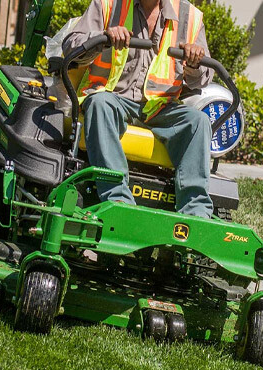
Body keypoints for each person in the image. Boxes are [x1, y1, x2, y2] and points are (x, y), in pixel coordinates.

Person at [62, 0, 214, 219]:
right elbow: (72, 46)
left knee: (198, 121)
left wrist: (194, 63)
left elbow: (202, 80)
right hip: (114, 98)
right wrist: (102, 38)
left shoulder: (190, 17)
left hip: (160, 106)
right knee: (100, 104)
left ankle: (196, 213)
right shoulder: (107, 5)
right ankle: (119, 200)